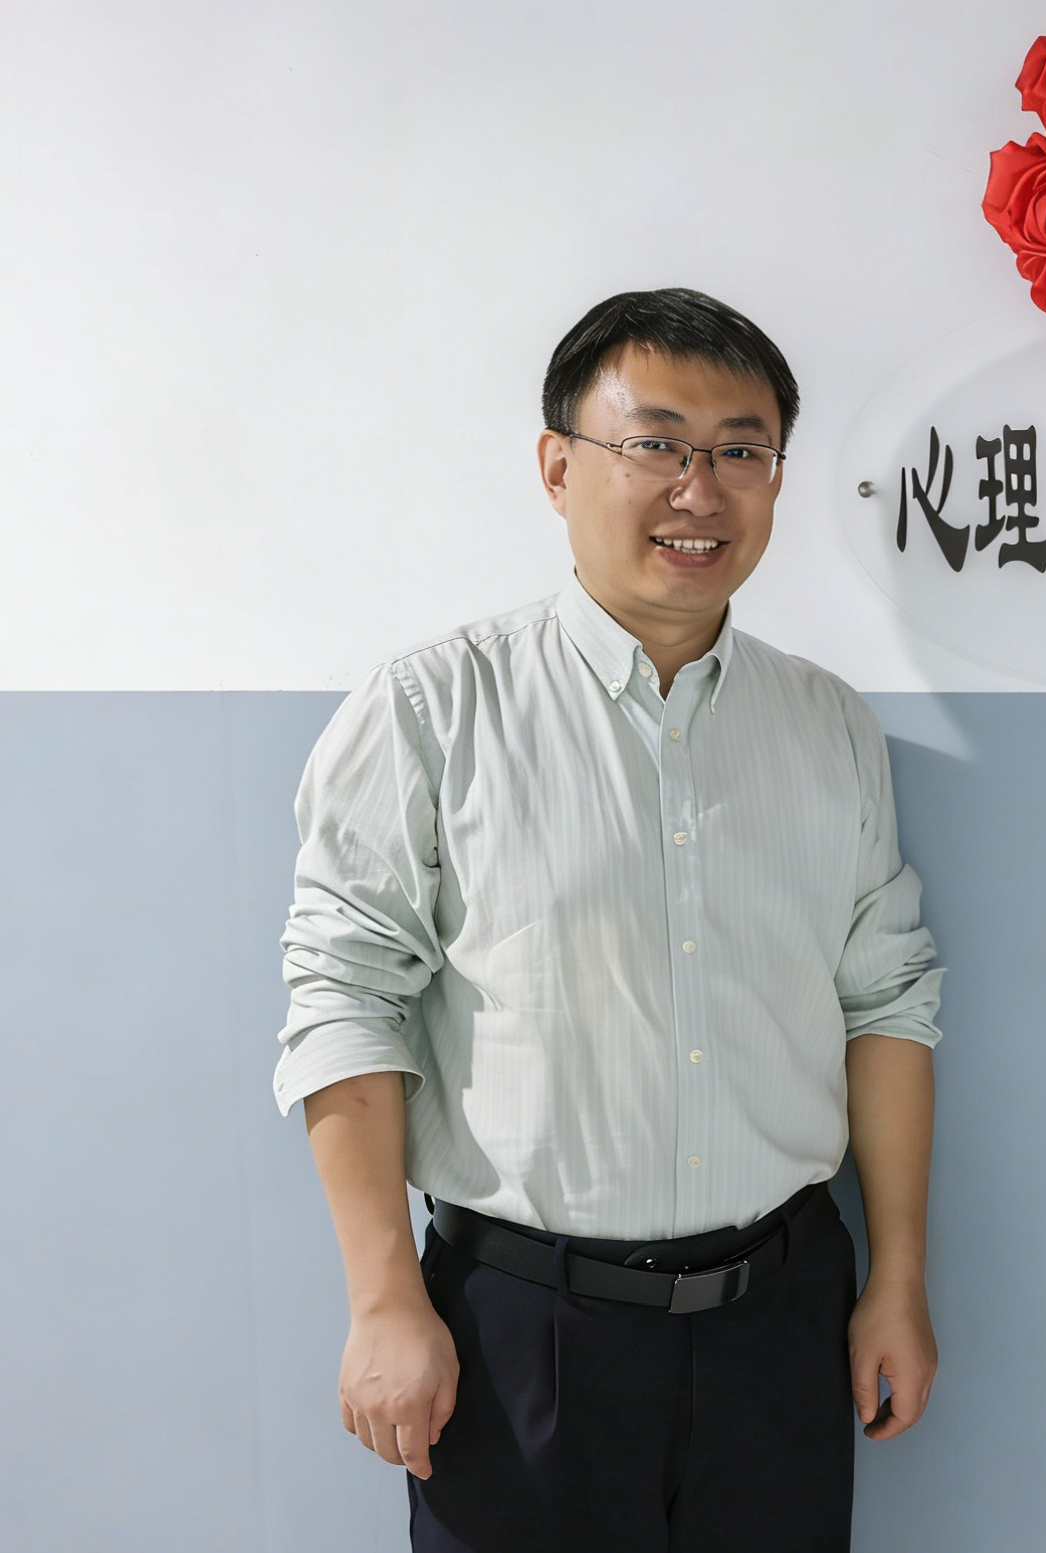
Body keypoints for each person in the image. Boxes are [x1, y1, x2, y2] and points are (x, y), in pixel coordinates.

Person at [272, 288, 944, 1552]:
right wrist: (383, 1299)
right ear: (557, 465)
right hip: (522, 1327)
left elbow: (886, 1001)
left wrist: (895, 1277)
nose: (700, 490)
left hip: (780, 1317)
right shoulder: (432, 708)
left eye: (740, 451)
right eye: (656, 443)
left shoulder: (826, 725)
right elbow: (345, 1000)